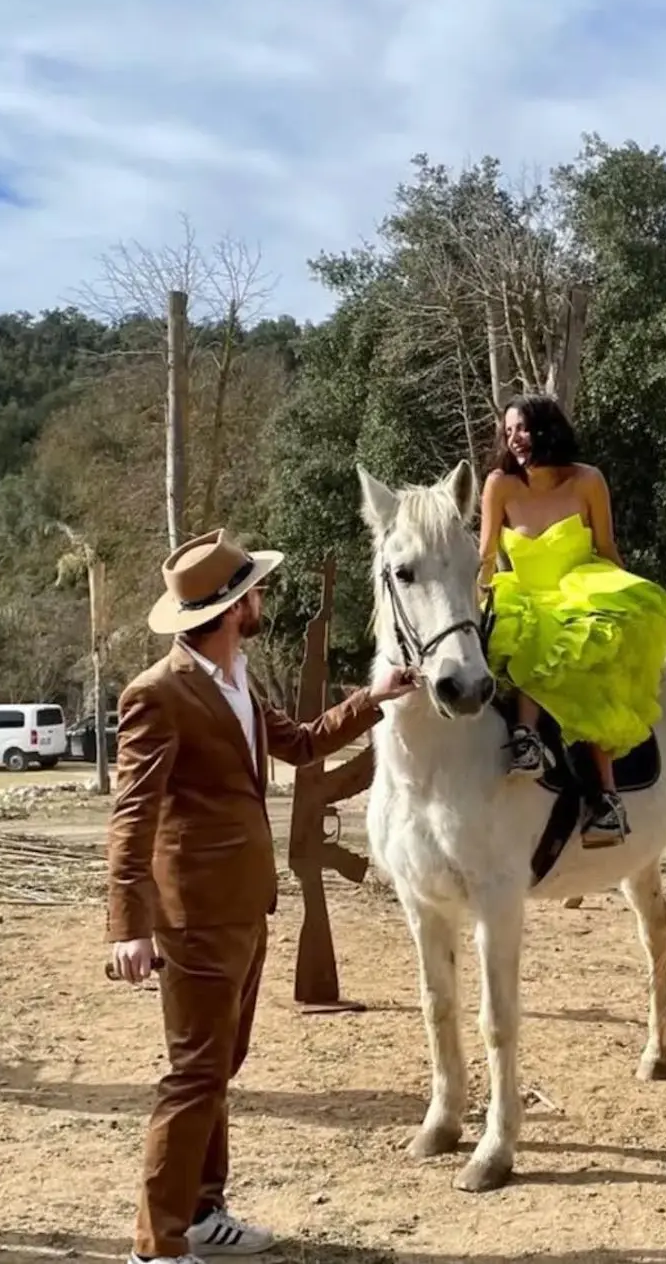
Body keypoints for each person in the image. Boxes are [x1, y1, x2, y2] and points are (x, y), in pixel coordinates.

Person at [107, 527, 418, 1263]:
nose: (263, 598)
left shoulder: (236, 675)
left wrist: (372, 699)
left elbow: (302, 742)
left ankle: (204, 1211)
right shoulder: (157, 694)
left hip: (245, 906)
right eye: (255, 590)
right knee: (194, 1074)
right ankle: (156, 1247)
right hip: (193, 916)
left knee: (220, 1065)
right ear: (230, 607)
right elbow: (132, 812)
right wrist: (128, 922)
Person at [478, 393, 666, 848]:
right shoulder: (499, 484)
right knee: (523, 628)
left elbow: (606, 548)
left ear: (547, 427)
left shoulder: (588, 480)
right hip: (524, 590)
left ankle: (606, 801)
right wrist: (474, 605)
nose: (515, 440)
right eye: (508, 432)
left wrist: (631, 605)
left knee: (590, 656)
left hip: (578, 586)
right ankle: (525, 739)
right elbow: (486, 558)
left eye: (522, 429)